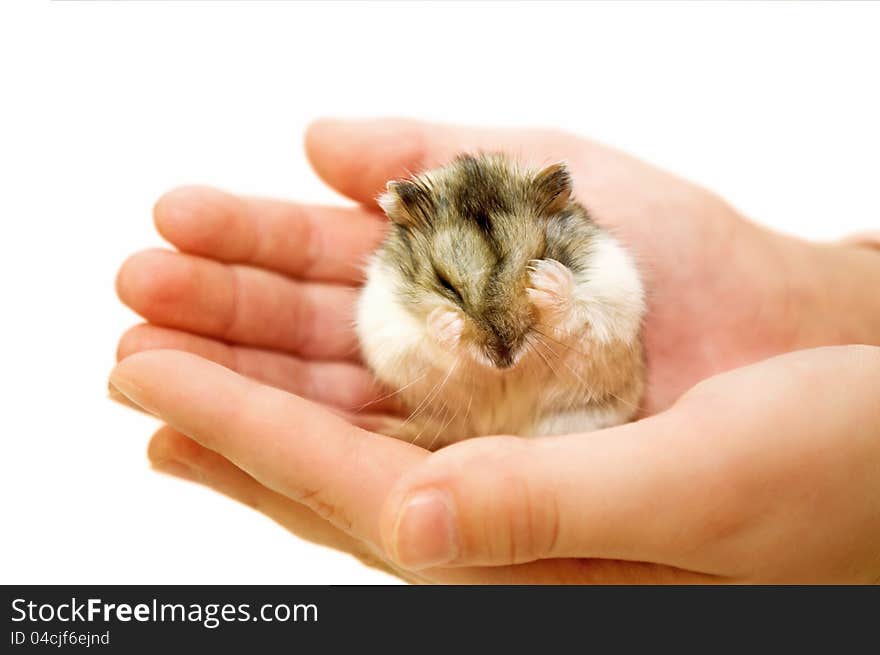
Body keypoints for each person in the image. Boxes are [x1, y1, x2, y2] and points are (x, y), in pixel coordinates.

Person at [110, 118, 880, 583]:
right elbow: (391, 348)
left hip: (573, 416)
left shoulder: (595, 265)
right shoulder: (392, 291)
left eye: (522, 275)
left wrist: (570, 313)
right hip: (462, 423)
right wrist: (438, 345)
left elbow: (611, 348)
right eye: (452, 282)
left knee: (583, 412)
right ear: (407, 236)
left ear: (560, 210)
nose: (500, 325)